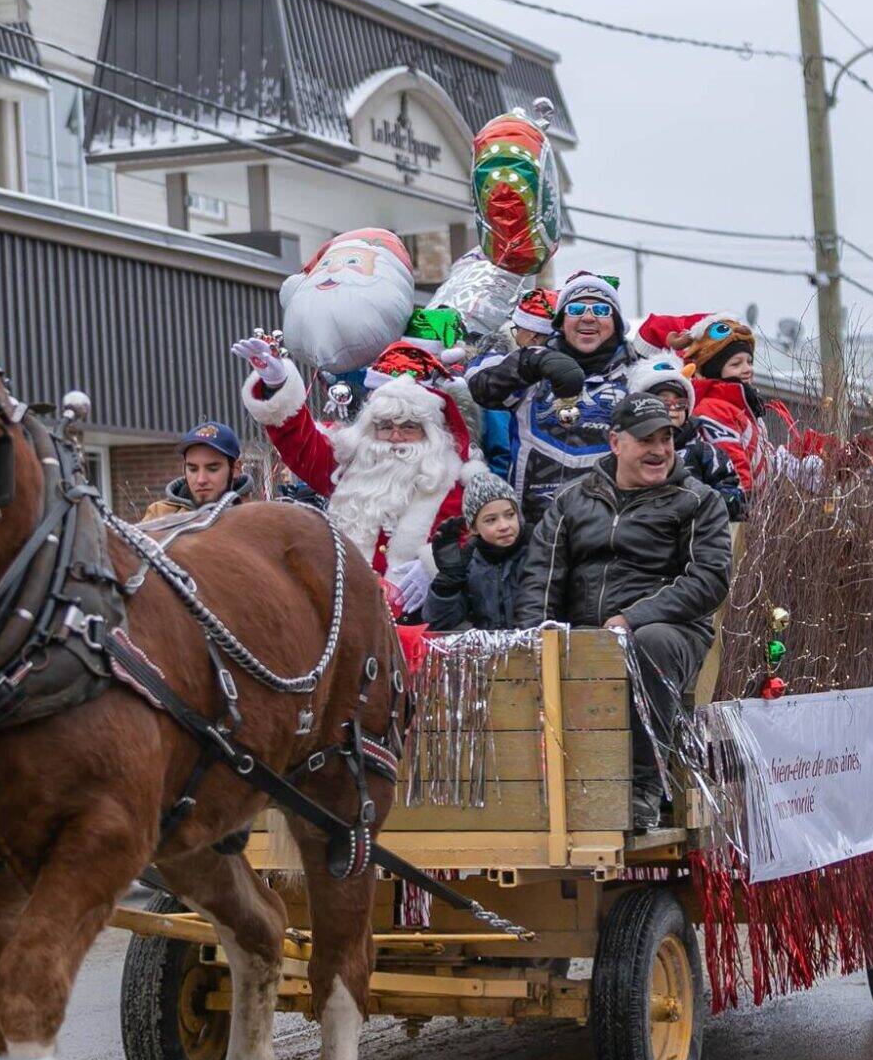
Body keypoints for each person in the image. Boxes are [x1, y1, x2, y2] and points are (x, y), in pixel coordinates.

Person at [515, 393, 732, 828]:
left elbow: (708, 580)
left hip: (668, 631)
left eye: (666, 439)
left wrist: (632, 617)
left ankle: (641, 788)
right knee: (525, 648)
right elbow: (542, 575)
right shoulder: (573, 500)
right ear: (616, 443)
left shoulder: (696, 501)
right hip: (584, 632)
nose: (658, 450)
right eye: (645, 439)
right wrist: (536, 635)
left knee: (647, 643)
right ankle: (529, 790)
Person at [236, 336, 485, 617]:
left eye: (409, 427)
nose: (395, 437)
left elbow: (485, 537)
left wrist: (436, 566)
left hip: (427, 617)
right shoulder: (350, 464)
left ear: (430, 431)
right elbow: (300, 442)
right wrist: (276, 383)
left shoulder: (456, 478)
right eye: (385, 426)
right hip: (350, 615)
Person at [467, 271, 638, 523]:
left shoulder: (638, 375)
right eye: (576, 309)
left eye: (601, 310)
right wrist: (530, 361)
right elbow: (480, 388)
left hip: (613, 532)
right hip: (535, 533)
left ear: (616, 323)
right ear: (560, 321)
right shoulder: (533, 368)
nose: (588, 317)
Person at [630, 353, 745, 521]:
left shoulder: (704, 451)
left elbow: (731, 490)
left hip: (691, 534)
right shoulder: (629, 447)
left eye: (680, 403)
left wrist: (719, 503)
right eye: (664, 402)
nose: (674, 408)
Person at [423, 471, 529, 631]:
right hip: (485, 652)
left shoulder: (536, 552)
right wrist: (448, 582)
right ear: (473, 527)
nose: (504, 526)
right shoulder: (468, 563)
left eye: (509, 515)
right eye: (491, 520)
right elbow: (438, 623)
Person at [481, 287, 558, 479]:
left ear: (532, 336)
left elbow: (502, 451)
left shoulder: (511, 380)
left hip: (525, 491)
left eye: (517, 330)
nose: (515, 337)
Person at [141, 421, 251, 521]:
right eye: (193, 469)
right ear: (184, 469)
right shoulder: (159, 515)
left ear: (235, 469)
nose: (201, 480)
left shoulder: (255, 517)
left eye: (212, 468)